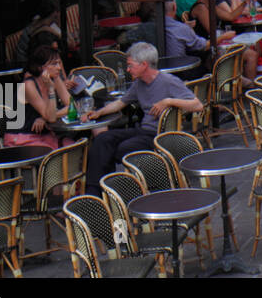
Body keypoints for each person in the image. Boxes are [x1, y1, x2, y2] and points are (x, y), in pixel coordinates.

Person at [83, 42, 203, 194]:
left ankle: (116, 189)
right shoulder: (139, 83)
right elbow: (121, 102)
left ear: (144, 65)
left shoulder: (168, 81)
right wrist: (99, 113)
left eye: (130, 65)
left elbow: (198, 105)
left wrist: (168, 101)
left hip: (159, 135)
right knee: (103, 139)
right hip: (143, 130)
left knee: (122, 148)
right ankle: (95, 192)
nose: (128, 70)